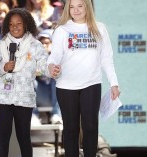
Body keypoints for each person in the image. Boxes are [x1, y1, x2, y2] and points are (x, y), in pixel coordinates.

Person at [46, 0, 121, 156]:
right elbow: (54, 58)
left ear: (88, 7)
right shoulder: (62, 30)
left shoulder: (99, 28)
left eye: (80, 6)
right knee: (71, 129)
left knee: (91, 127)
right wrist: (52, 67)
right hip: (66, 87)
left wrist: (114, 83)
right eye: (72, 6)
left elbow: (107, 58)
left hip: (91, 84)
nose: (76, 10)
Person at [0, 8, 49, 157]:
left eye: (18, 23)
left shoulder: (35, 45)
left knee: (24, 137)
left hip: (24, 98)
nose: (15, 27)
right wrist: (3, 67)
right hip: (2, 97)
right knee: (3, 136)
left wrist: (53, 70)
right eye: (11, 24)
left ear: (26, 24)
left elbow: (45, 67)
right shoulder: (1, 45)